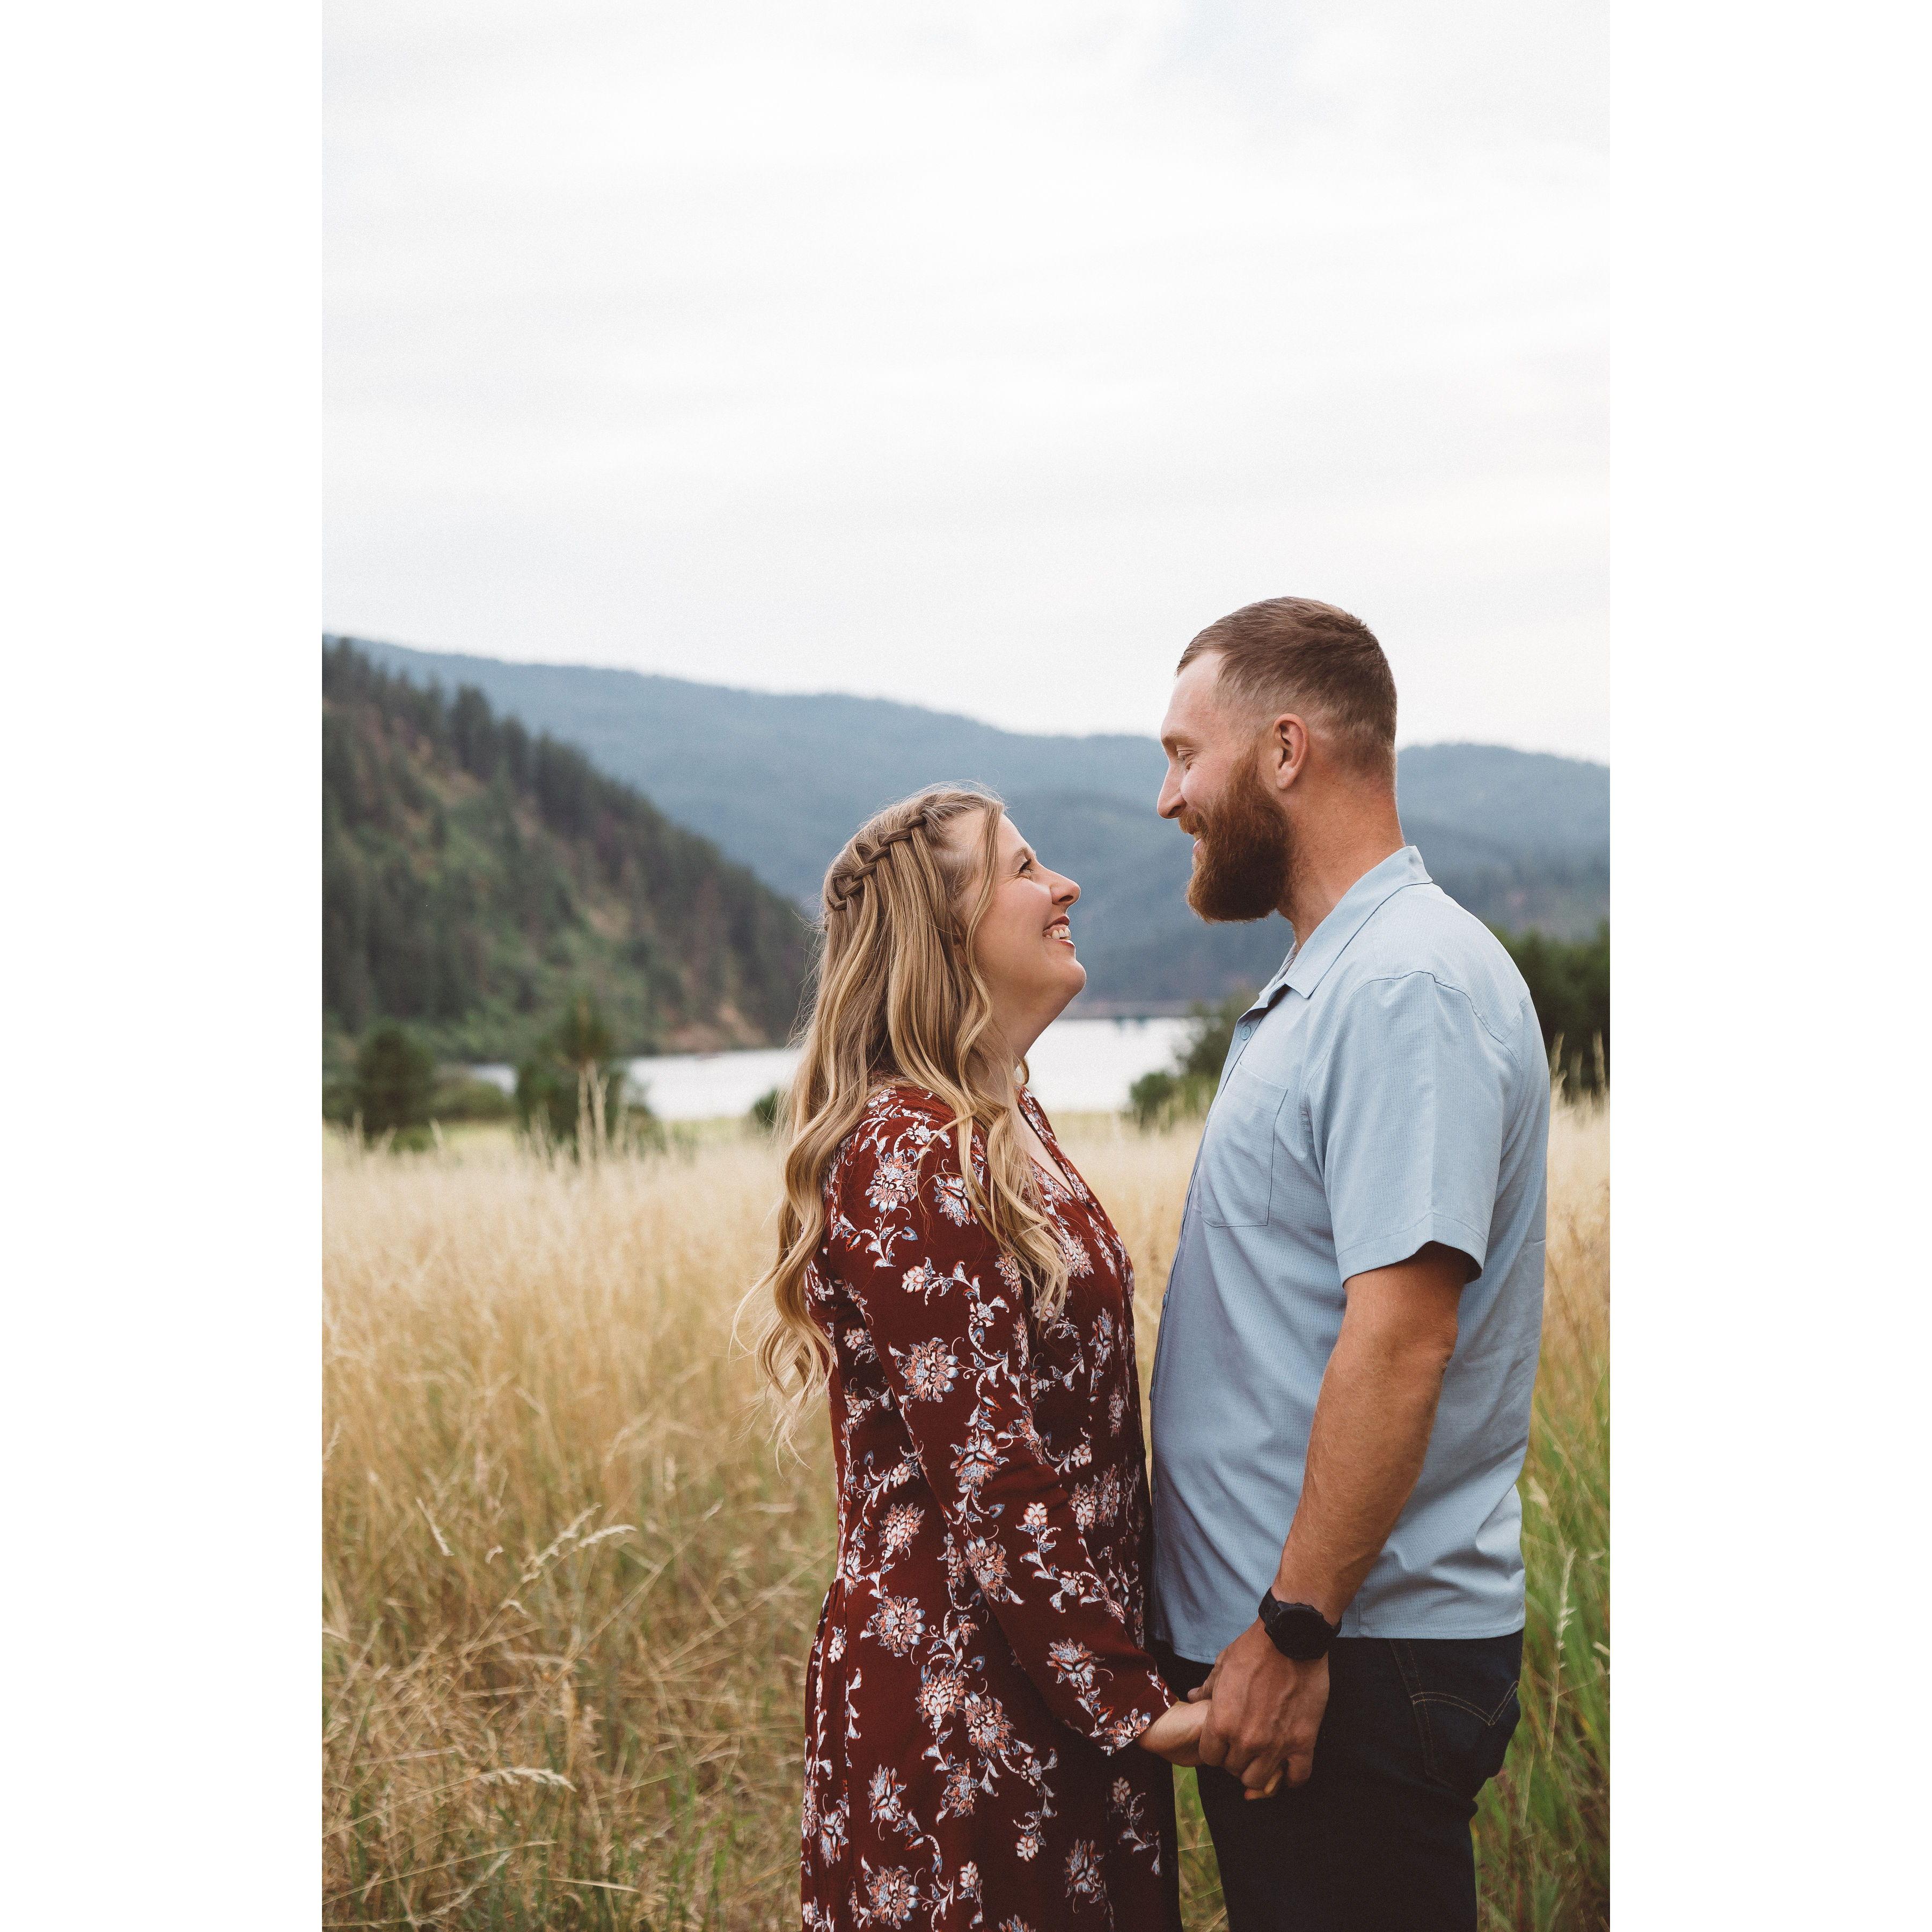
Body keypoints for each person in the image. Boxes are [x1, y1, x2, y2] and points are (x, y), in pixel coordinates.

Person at [1147, 598, 1550, 1932]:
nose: (1167, 799)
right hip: (1314, 1654)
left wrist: (1295, 1630)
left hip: (1347, 1664)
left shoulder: (1403, 987)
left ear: (1283, 751)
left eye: (1183, 755)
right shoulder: (1341, 979)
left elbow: (1404, 1337)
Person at [750, 785, 1206, 1932]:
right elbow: (992, 1472)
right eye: (1025, 868)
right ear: (944, 928)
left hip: (1051, 1684)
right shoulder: (910, 1152)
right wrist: (1135, 1705)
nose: (1066, 887)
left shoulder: (1006, 1128)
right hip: (968, 1711)